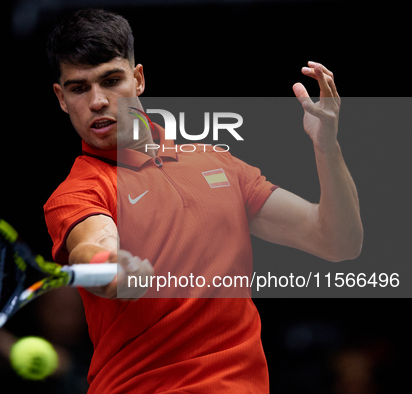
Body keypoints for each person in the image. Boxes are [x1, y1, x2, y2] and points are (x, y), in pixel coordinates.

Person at [43, 8, 363, 393]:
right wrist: (112, 265)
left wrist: (327, 146)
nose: (97, 101)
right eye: (79, 88)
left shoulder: (219, 162)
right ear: (61, 99)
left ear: (138, 79)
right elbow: (91, 244)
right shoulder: (79, 191)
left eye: (111, 80)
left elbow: (338, 242)